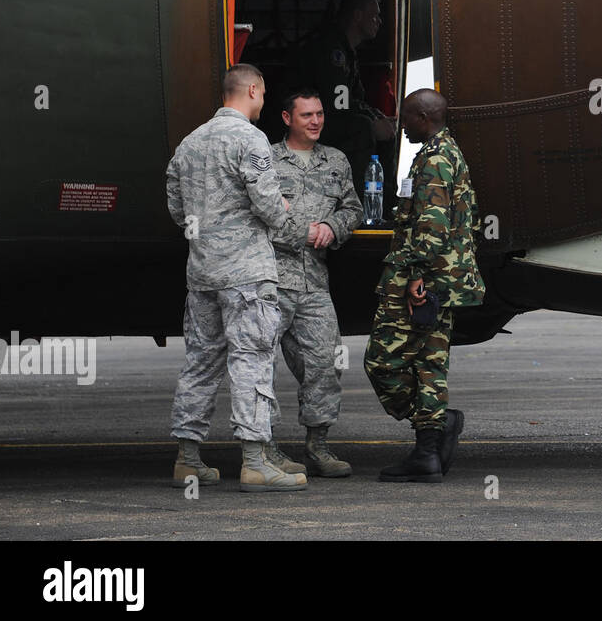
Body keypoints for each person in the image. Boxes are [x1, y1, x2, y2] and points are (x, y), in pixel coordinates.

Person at [165, 63, 307, 493]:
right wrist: (283, 211)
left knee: (201, 362)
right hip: (246, 272)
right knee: (251, 360)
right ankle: (254, 462)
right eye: (262, 95)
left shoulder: (189, 143)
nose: (262, 103)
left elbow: (176, 207)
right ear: (252, 89)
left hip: (203, 271)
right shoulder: (251, 139)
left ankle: (187, 461)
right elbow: (266, 204)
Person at [364, 89, 484, 482]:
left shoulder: (434, 159)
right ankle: (428, 449)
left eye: (406, 118)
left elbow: (432, 226)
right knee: (430, 366)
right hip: (443, 281)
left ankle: (431, 432)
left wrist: (415, 274)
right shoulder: (446, 153)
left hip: (424, 279)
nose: (401, 124)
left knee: (382, 360)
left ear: (423, 118)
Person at [266, 89, 363, 477]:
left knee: (326, 361)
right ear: (287, 119)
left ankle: (318, 446)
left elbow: (353, 208)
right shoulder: (266, 160)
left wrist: (330, 227)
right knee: (259, 368)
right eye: (306, 115)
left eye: (320, 114)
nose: (316, 121)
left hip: (314, 283)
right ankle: (264, 447)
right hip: (270, 280)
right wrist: (300, 233)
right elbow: (256, 213)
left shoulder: (336, 161)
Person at [284, 0, 397, 197]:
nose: (379, 21)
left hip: (331, 117)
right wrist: (372, 124)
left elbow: (353, 99)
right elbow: (339, 104)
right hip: (315, 121)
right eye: (374, 15)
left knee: (383, 124)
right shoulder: (332, 51)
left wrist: (378, 117)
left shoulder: (347, 51)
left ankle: (386, 199)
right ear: (357, 16)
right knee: (362, 128)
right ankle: (359, 200)